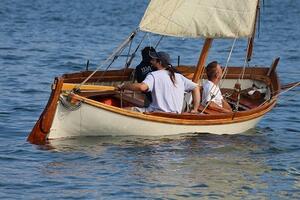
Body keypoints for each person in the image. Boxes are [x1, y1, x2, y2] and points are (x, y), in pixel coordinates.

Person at [118, 51, 200, 113]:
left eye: (153, 60)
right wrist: (195, 109)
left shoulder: (153, 75)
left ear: (159, 62)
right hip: (175, 115)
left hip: (156, 114)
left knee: (121, 111)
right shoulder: (179, 76)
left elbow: (141, 87)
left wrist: (124, 86)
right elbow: (196, 87)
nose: (151, 62)